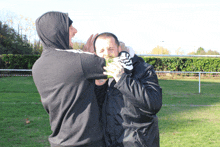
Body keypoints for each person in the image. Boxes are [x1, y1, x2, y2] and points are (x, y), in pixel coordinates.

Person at [32, 11, 107, 147]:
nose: (75, 31)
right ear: (57, 31)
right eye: (70, 27)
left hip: (59, 141)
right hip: (86, 141)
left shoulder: (37, 66)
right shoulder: (79, 61)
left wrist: (85, 57)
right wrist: (125, 51)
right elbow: (118, 67)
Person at [94, 32, 163, 147]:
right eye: (101, 51)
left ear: (119, 49)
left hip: (138, 143)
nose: (106, 54)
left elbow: (154, 104)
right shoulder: (97, 74)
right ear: (95, 53)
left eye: (111, 49)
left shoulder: (142, 69)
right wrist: (99, 87)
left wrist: (122, 79)